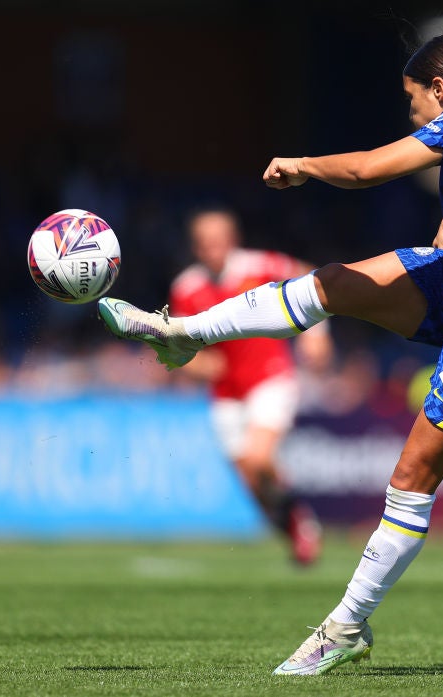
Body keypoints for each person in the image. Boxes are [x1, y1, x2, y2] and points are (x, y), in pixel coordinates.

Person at [98, 34, 443, 675]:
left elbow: (367, 170)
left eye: (412, 101)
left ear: (439, 89)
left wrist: (300, 165)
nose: (411, 115)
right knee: (336, 283)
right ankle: (183, 333)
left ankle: (346, 626)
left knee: (410, 482)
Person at [170, 206, 330, 565]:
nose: (211, 249)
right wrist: (197, 365)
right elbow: (179, 347)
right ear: (195, 247)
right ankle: (294, 528)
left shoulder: (261, 267)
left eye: (217, 241)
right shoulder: (186, 288)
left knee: (259, 458)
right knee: (252, 482)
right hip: (226, 393)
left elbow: (313, 279)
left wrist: (316, 333)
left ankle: (301, 522)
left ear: (232, 241)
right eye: (203, 243)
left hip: (271, 377)